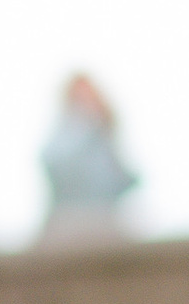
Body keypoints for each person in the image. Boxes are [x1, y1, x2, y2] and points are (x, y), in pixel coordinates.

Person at [41, 72, 137, 227]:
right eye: (80, 96)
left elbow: (116, 178)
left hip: (105, 218)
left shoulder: (104, 136)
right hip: (68, 220)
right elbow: (53, 164)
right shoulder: (63, 135)